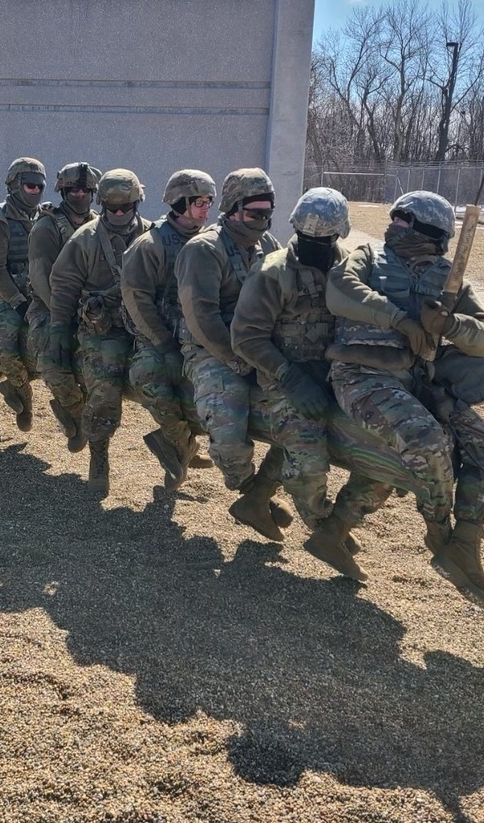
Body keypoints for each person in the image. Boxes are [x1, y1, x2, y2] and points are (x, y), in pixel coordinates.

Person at [326, 190, 484, 611]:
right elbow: (339, 291)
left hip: (416, 384)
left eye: (404, 220)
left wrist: (452, 323)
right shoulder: (368, 258)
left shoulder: (448, 278)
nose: (393, 225)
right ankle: (439, 531)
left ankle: (466, 543)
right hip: (362, 375)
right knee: (427, 441)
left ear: (429, 231)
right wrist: (399, 320)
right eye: (394, 219)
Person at [231, 188, 394, 578]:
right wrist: (289, 377)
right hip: (282, 379)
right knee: (307, 458)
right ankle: (324, 527)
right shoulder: (273, 272)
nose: (315, 246)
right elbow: (246, 337)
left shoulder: (349, 270)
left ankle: (263, 503)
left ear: (339, 234)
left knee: (386, 441)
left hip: (337, 375)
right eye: (308, 239)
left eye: (323, 240)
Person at [175, 167, 292, 539]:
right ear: (233, 208)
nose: (263, 221)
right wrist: (239, 361)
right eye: (255, 213)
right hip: (211, 350)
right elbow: (202, 317)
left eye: (268, 213)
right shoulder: (203, 250)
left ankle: (262, 495)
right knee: (226, 410)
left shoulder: (269, 246)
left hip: (258, 344)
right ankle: (245, 487)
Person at [48, 169, 151, 495]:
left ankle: (176, 444)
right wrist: (59, 333)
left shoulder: (152, 236)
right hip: (101, 329)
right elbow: (63, 288)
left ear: (138, 203)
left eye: (126, 208)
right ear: (102, 204)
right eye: (111, 208)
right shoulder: (85, 240)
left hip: (145, 326)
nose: (119, 215)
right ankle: (99, 456)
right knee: (105, 383)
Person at [122, 169, 215, 491]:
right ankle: (181, 443)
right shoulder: (150, 245)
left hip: (199, 337)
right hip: (157, 338)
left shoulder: (212, 242)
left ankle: (177, 445)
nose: (206, 209)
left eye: (208, 201)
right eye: (198, 202)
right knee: (148, 376)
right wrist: (163, 344)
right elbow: (137, 301)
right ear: (178, 203)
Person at [27, 162, 100, 452]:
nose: (79, 194)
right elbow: (39, 275)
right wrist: (63, 315)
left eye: (85, 189)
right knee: (52, 359)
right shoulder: (47, 226)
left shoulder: (99, 226)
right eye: (73, 189)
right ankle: (76, 412)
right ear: (62, 191)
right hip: (50, 306)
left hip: (90, 307)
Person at [0, 157, 48, 431]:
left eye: (39, 186)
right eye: (29, 185)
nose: (35, 191)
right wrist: (18, 303)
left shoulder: (44, 217)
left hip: (37, 294)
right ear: (14, 185)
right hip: (3, 296)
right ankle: (24, 398)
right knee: (6, 343)